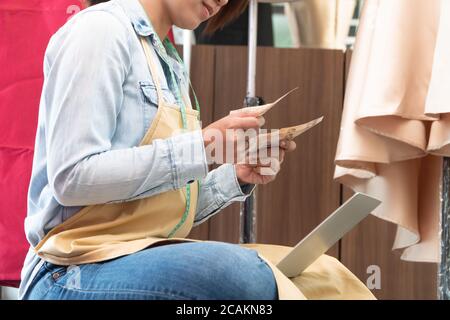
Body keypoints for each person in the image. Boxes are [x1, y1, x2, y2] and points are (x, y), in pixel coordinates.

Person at [19, 0, 296, 300]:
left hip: (126, 255)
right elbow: (72, 177)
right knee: (246, 277)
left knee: (318, 274)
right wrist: (203, 147)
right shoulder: (101, 30)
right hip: (67, 270)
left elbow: (152, 208)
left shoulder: (169, 65)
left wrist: (236, 175)